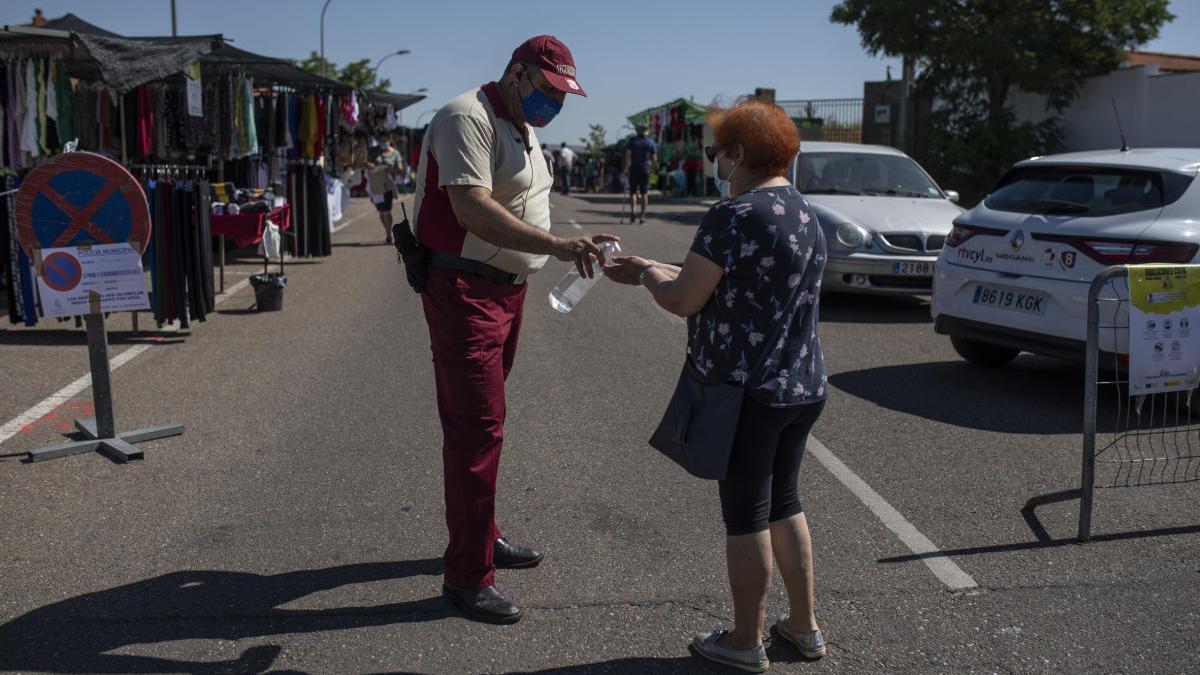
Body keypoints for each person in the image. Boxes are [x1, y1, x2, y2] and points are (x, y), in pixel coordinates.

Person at [605, 99, 828, 672]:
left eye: (717, 152)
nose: (714, 161)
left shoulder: (733, 215)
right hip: (801, 382)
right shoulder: (803, 212)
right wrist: (656, 265)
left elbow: (684, 299)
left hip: (746, 389)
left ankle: (744, 640)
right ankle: (803, 627)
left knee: (747, 514)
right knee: (786, 501)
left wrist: (648, 275)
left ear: (738, 154)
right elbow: (735, 283)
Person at [409, 34, 616, 625]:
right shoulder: (465, 117)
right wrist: (556, 245)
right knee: (476, 430)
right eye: (550, 91)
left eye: (564, 96)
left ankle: (482, 536)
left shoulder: (522, 125)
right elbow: (471, 208)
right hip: (465, 290)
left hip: (503, 291)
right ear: (518, 74)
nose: (557, 105)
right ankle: (468, 577)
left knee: (489, 424)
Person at [367, 139, 401, 244]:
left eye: (385, 139)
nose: (384, 142)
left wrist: (391, 169)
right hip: (375, 185)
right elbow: (368, 164)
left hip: (387, 185)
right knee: (381, 212)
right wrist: (373, 166)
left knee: (387, 210)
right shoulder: (373, 151)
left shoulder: (395, 153)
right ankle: (388, 232)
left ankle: (388, 235)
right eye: (381, 139)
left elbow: (399, 169)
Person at [624, 123, 657, 224]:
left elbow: (628, 155)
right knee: (644, 193)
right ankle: (642, 217)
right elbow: (655, 159)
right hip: (645, 169)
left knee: (633, 192)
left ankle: (633, 211)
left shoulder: (632, 141)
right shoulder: (650, 142)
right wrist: (652, 170)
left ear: (637, 131)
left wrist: (626, 168)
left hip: (634, 168)